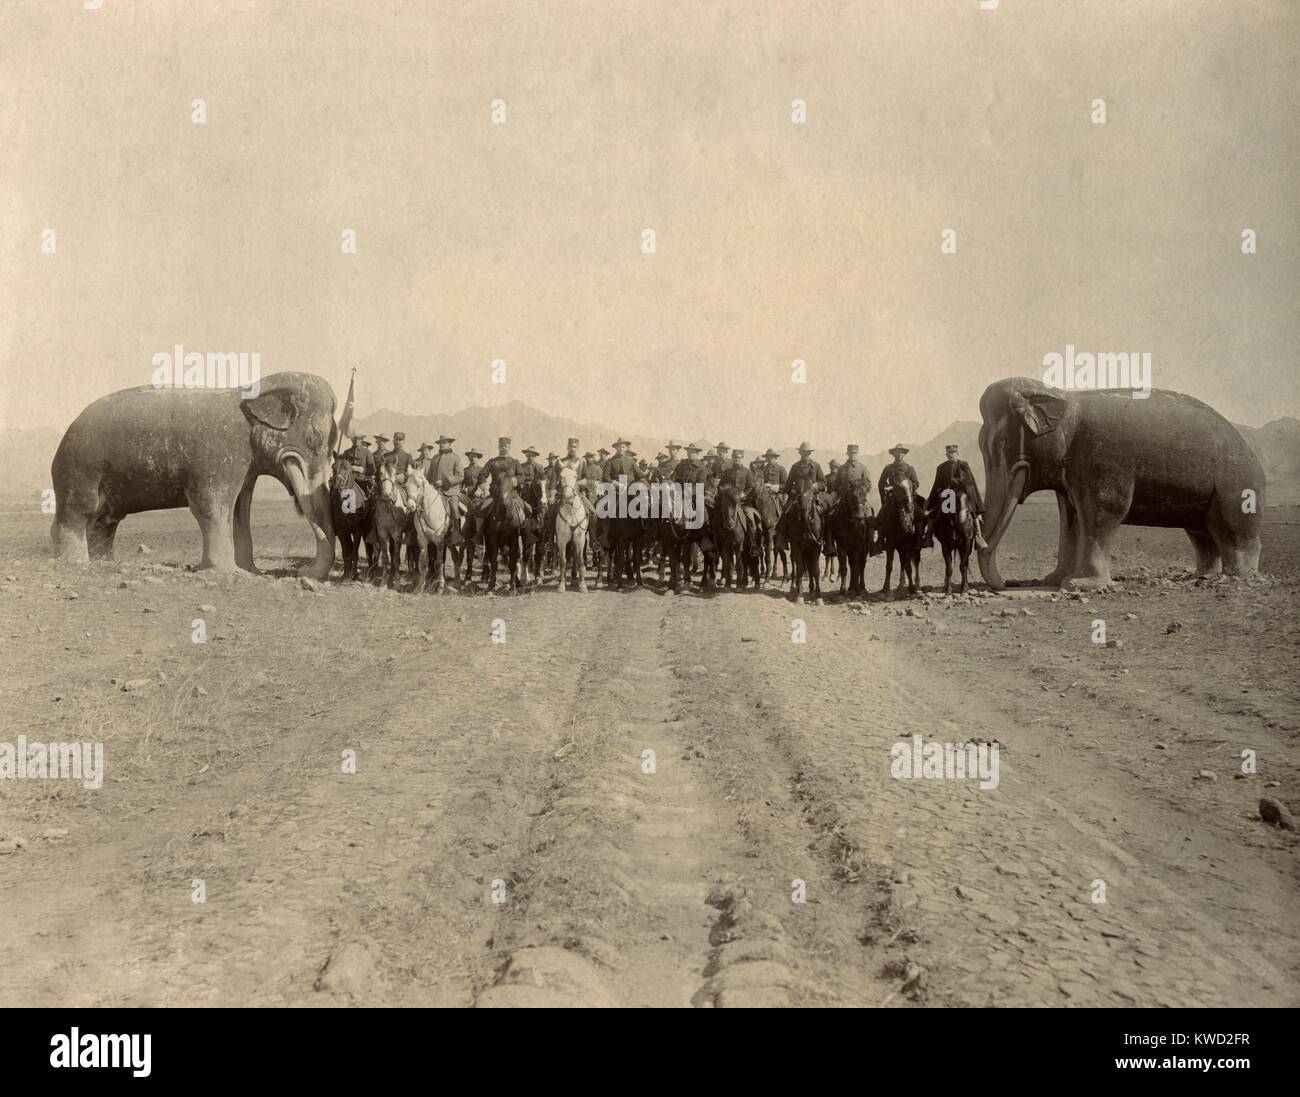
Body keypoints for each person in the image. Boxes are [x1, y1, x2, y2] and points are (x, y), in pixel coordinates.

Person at [928, 443, 988, 549]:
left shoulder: (964, 466)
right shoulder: (941, 468)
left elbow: (971, 482)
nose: (951, 455)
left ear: (957, 453)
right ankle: (928, 536)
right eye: (949, 453)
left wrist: (962, 486)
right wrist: (939, 492)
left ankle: (978, 536)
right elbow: (937, 484)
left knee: (973, 512)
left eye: (953, 453)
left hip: (962, 494)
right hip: (947, 496)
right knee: (934, 512)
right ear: (946, 454)